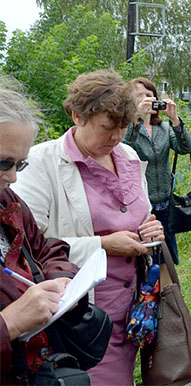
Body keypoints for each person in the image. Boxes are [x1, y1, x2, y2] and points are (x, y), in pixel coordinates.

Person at [14, 69, 165, 385]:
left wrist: (150, 230)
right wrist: (103, 245)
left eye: (124, 127)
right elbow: (26, 244)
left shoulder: (128, 155)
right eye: (108, 127)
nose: (116, 137)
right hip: (83, 316)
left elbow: (139, 214)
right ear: (77, 116)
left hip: (135, 309)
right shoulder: (41, 162)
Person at [0, 81, 79, 385]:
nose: (13, 177)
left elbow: (44, 247)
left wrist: (60, 279)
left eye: (21, 164)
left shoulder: (7, 201)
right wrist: (10, 323)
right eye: (3, 162)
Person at [123, 77, 191, 264]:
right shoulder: (126, 128)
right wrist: (136, 119)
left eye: (149, 95)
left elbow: (185, 148)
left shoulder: (163, 128)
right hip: (139, 201)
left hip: (165, 200)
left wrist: (175, 120)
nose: (146, 99)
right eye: (140, 96)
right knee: (145, 256)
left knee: (167, 254)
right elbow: (123, 149)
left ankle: (168, 290)